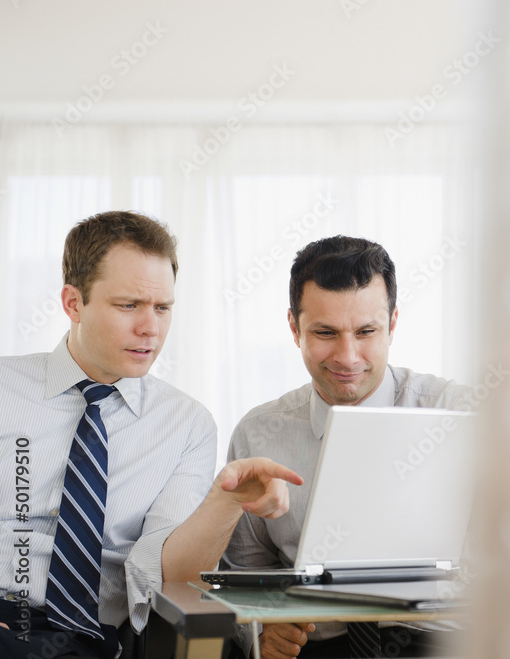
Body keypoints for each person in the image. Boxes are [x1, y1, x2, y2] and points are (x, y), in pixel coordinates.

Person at [0, 211, 302, 659]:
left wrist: (227, 500)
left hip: (90, 639)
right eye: (129, 306)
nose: (151, 328)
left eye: (163, 308)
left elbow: (167, 576)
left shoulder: (187, 425)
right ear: (73, 303)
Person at [223, 236, 472, 659]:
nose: (347, 356)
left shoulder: (460, 414)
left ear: (392, 324)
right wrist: (262, 633)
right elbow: (246, 568)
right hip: (319, 647)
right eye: (325, 332)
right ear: (293, 327)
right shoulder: (259, 433)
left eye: (366, 332)